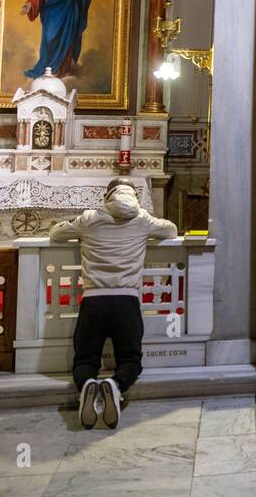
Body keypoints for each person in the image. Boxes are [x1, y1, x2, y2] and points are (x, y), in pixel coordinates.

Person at [49, 178, 177, 429]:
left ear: (107, 196)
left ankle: (87, 385)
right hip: (126, 299)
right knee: (130, 359)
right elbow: (171, 230)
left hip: (94, 300)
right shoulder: (142, 219)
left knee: (86, 359)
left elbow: (56, 234)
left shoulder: (89, 218)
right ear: (135, 197)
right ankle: (116, 386)